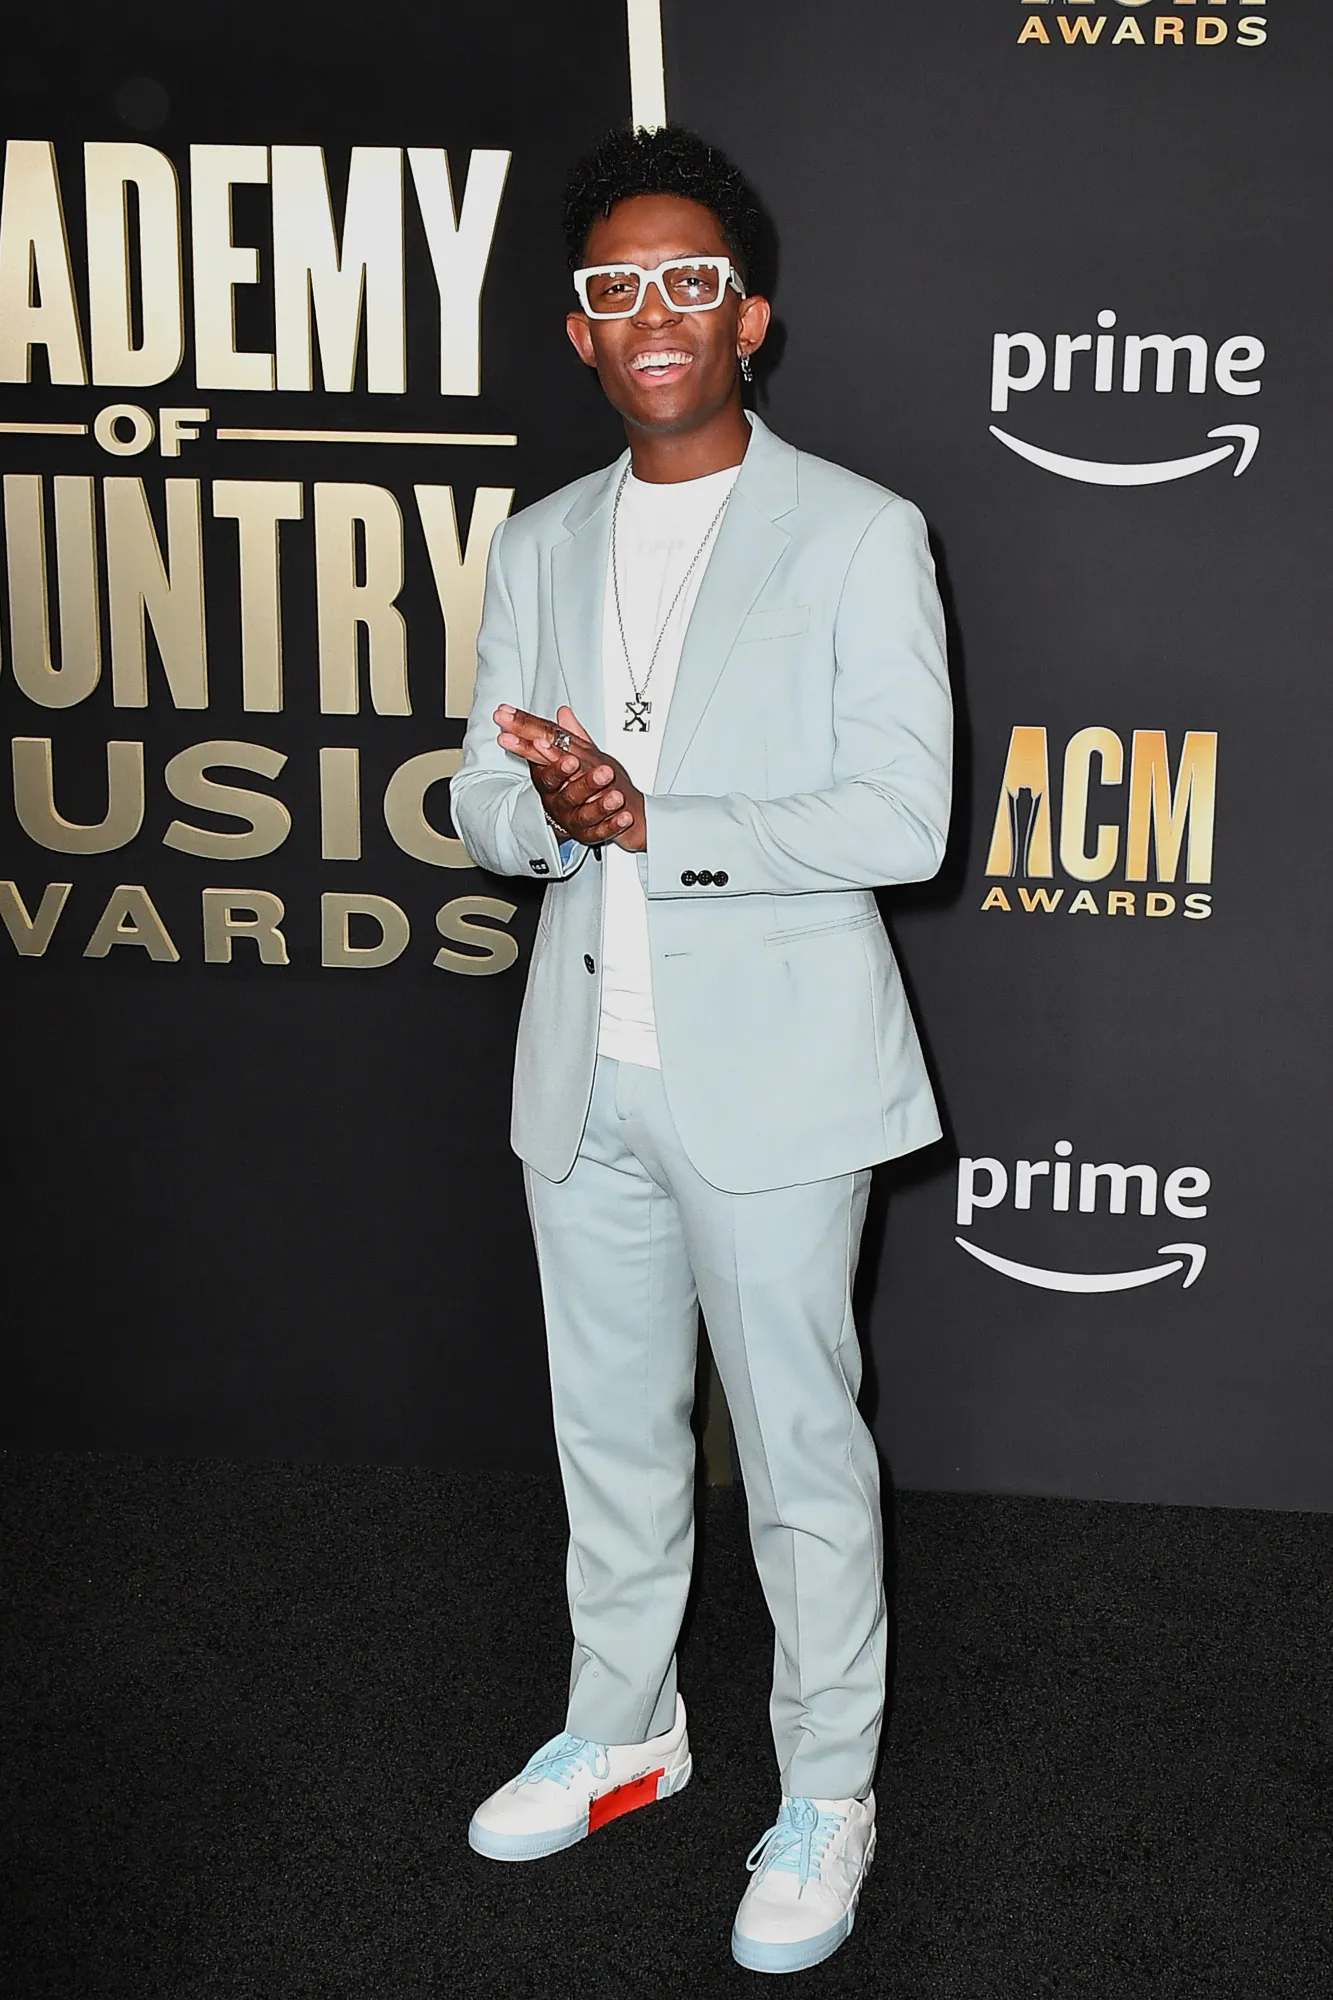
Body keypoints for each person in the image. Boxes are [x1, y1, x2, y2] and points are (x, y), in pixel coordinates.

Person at [451, 124, 951, 1977]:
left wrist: (662, 817)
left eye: (688, 281)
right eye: (615, 287)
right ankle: (625, 1728)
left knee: (803, 1458)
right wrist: (555, 811)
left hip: (780, 1081)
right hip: (582, 1071)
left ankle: (828, 1790)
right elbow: (479, 792)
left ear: (748, 319)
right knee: (609, 1435)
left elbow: (905, 815)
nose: (651, 311)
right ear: (581, 331)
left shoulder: (861, 532)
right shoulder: (540, 539)